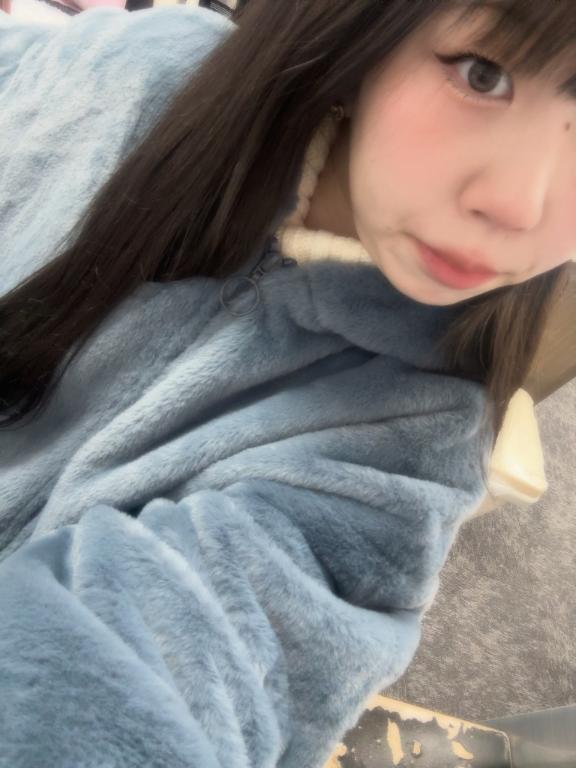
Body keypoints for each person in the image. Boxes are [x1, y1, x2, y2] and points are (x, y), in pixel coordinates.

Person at [0, 1, 574, 766]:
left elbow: (151, 676)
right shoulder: (135, 67)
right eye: (482, 74)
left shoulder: (402, 459)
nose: (517, 203)